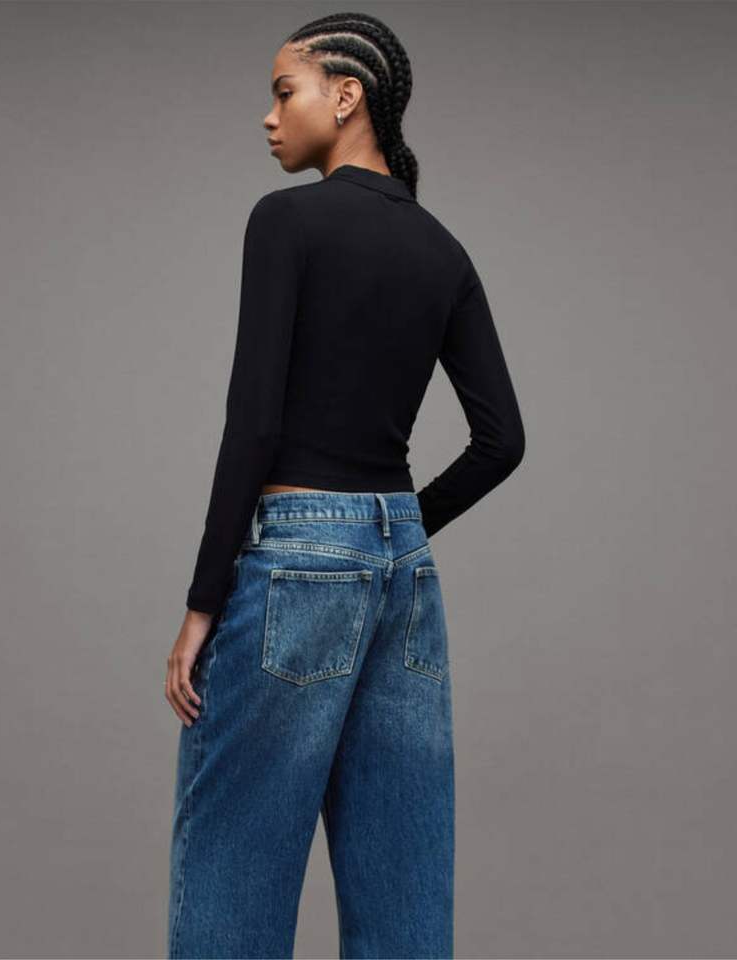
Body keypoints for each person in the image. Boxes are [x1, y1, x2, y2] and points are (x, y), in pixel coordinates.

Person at [166, 11, 525, 959]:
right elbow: (503, 441)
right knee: (404, 899)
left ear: (346, 96)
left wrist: (203, 602)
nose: (269, 115)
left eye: (284, 92)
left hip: (295, 563)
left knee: (235, 882)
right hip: (404, 575)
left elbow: (255, 425)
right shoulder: (443, 250)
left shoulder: (285, 220)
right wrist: (393, 532)